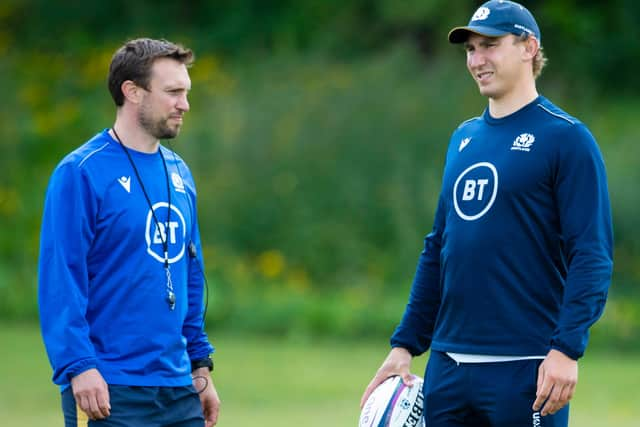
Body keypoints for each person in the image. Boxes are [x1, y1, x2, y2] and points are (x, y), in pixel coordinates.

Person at [360, 1, 613, 426]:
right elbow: (438, 248)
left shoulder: (567, 139)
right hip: (449, 367)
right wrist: (405, 346)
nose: (477, 60)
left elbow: (592, 254)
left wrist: (567, 349)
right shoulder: (464, 139)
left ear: (529, 47)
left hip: (526, 366)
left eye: (490, 45)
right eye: (470, 49)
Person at [38, 38, 220, 426]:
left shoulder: (180, 174)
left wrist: (200, 367)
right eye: (173, 92)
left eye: (185, 92)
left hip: (178, 389)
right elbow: (60, 279)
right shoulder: (82, 172)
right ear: (132, 91)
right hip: (108, 387)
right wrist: (79, 365)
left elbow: (189, 276)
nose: (184, 104)